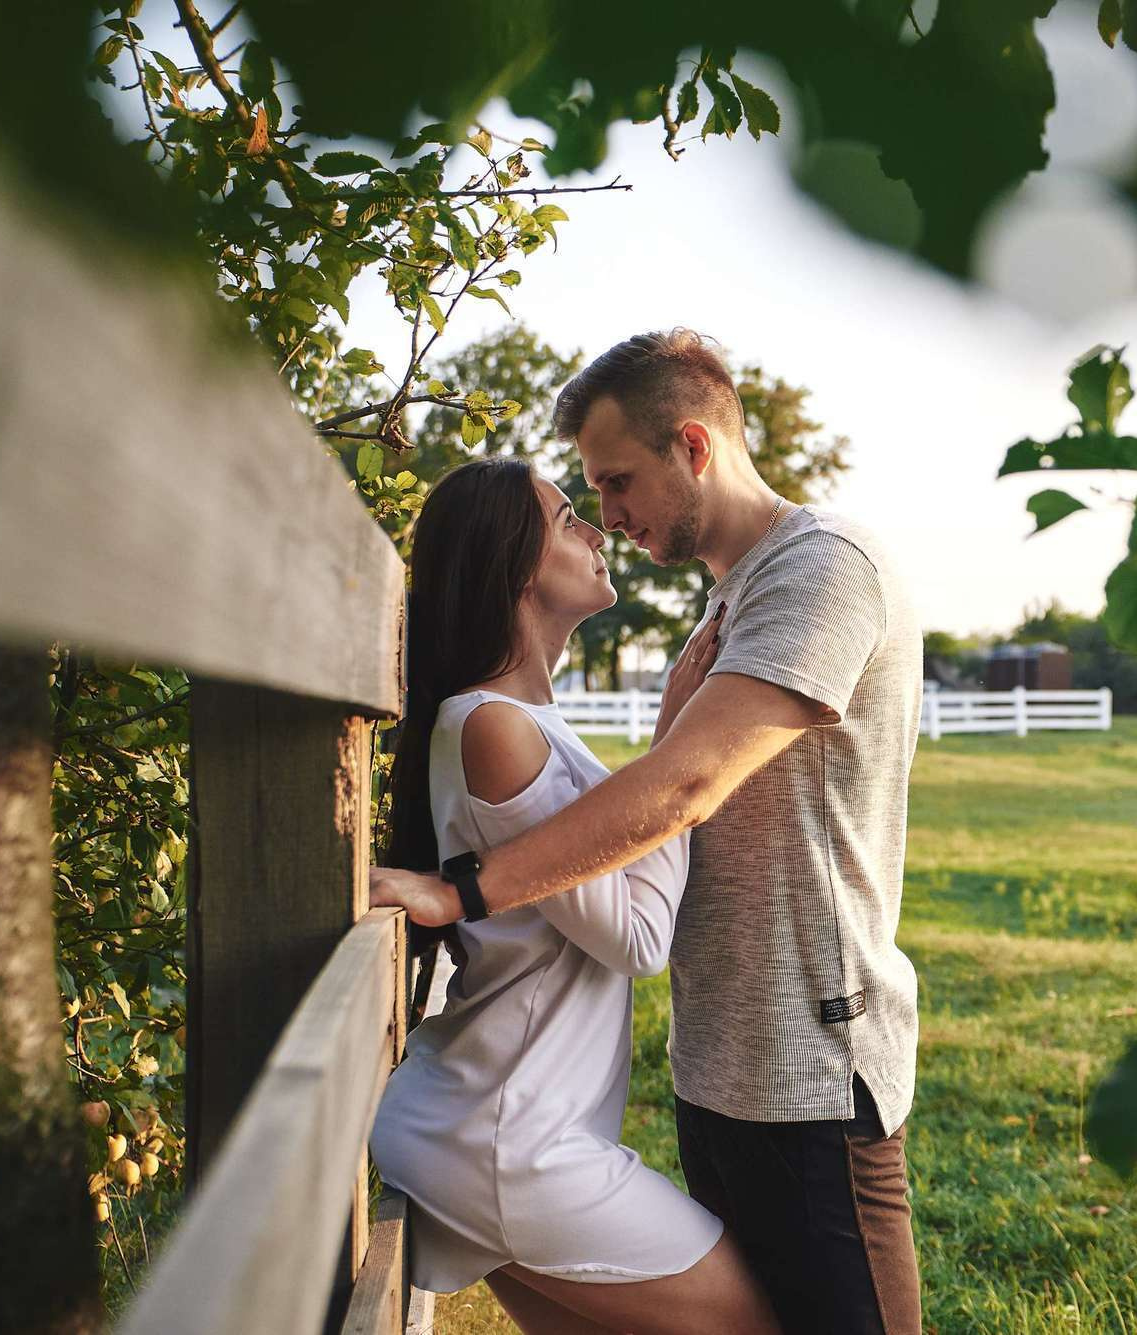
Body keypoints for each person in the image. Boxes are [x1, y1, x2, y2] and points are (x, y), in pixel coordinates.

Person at [372, 329, 925, 1334]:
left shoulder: (821, 567)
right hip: (720, 1071)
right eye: (585, 498)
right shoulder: (721, 613)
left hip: (812, 1062)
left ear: (694, 448)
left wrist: (466, 887)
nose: (609, 517)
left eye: (616, 482)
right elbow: (662, 812)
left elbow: (686, 786)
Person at [366, 456, 779, 1335]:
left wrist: (662, 770)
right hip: (513, 1144)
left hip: (503, 1126)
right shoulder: (493, 728)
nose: (596, 529)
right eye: (565, 519)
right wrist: (676, 763)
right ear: (515, 567)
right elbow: (636, 936)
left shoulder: (518, 721)